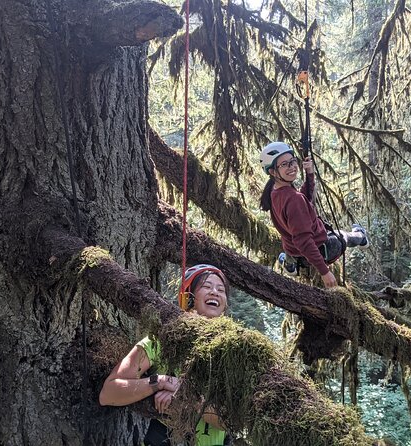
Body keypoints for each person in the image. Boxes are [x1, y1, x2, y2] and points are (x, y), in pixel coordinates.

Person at [99, 264, 230, 446]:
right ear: (187, 298)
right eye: (206, 287)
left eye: (221, 289)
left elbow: (229, 420)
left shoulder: (232, 353)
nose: (215, 292)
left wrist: (186, 395)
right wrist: (161, 382)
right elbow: (109, 393)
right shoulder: (159, 341)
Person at [259, 141, 369, 288]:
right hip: (321, 250)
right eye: (284, 164)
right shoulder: (293, 199)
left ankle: (290, 264)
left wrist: (309, 174)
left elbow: (303, 201)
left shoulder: (274, 191)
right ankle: (362, 237)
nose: (291, 167)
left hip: (293, 251)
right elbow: (303, 240)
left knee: (289, 245)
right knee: (344, 236)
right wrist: (324, 272)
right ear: (272, 172)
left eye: (292, 162)